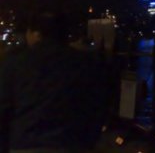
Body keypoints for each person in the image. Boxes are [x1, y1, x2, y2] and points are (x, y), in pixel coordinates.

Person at [0, 10, 108, 153]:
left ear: (36, 33)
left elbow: (3, 108)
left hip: (26, 143)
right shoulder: (85, 63)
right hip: (72, 144)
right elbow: (98, 106)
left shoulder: (15, 63)